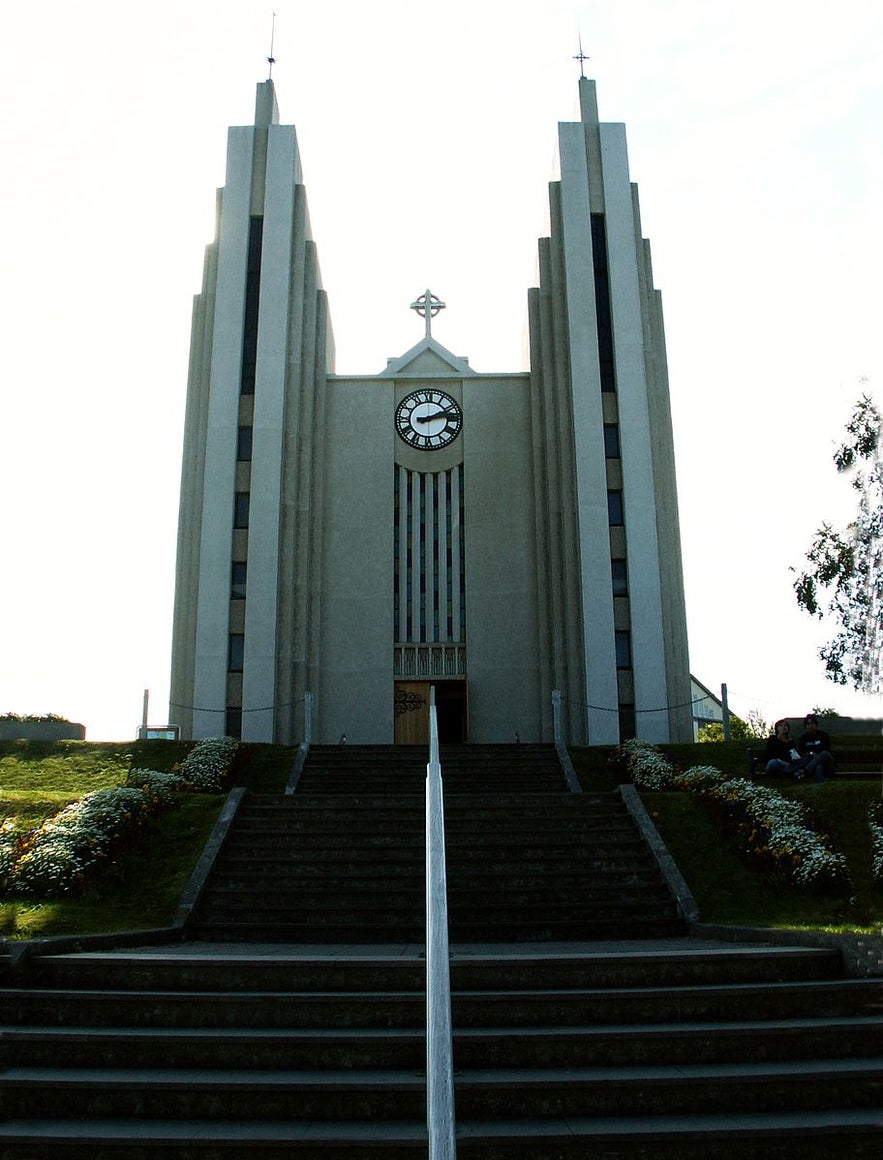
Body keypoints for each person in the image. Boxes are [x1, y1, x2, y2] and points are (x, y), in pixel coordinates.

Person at [796, 714, 836, 782]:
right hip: (813, 764)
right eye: (808, 724)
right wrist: (811, 753)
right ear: (806, 726)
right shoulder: (803, 738)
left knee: (824, 754)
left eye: (813, 723)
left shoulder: (824, 735)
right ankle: (820, 788)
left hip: (827, 763)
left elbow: (828, 751)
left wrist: (817, 756)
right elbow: (801, 753)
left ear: (816, 725)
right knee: (818, 767)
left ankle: (805, 771)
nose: (811, 726)